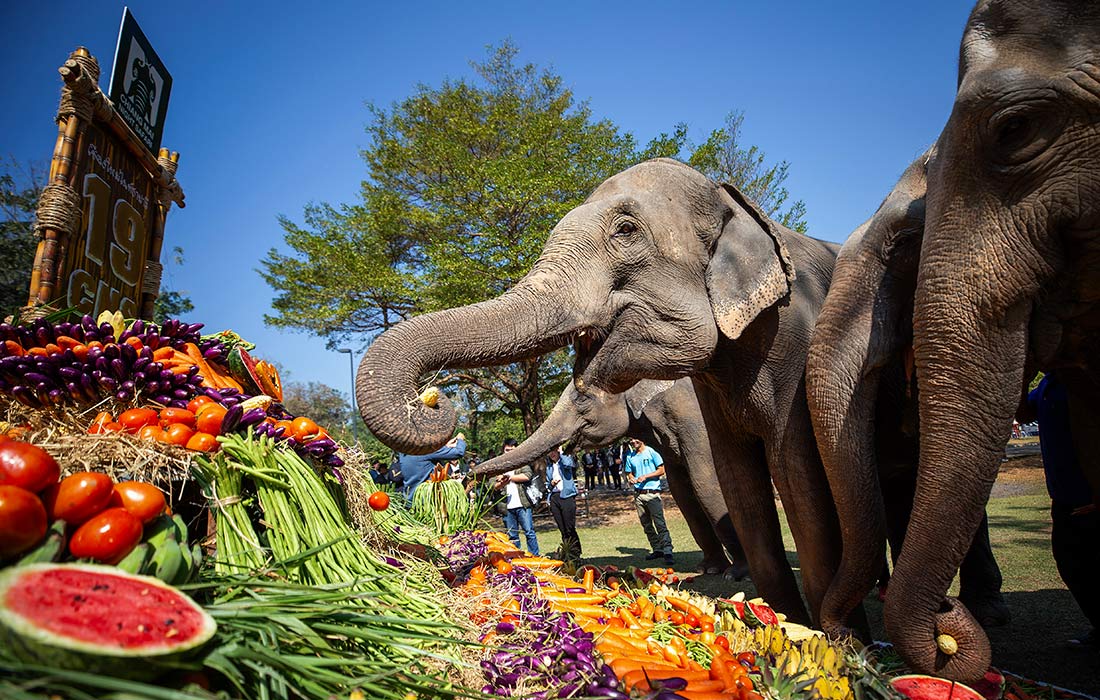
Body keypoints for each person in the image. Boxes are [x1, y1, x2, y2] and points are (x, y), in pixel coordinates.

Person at [1023, 372, 1099, 646]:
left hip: (1091, 497)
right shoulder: (1048, 383)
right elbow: (1022, 414)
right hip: (1065, 497)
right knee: (1070, 563)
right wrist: (1021, 374)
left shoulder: (1086, 379)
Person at [622, 437, 674, 564]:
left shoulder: (651, 452)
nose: (633, 442)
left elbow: (661, 470)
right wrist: (631, 479)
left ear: (641, 440)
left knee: (660, 523)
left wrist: (646, 476)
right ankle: (657, 549)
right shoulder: (630, 456)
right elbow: (629, 473)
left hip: (652, 494)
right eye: (631, 441)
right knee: (646, 525)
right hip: (638, 494)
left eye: (636, 440)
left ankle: (668, 551)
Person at [494, 438, 540, 555]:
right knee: (512, 535)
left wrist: (508, 478)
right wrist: (502, 483)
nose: (510, 453)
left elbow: (527, 476)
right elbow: (493, 485)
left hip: (522, 504)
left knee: (529, 531)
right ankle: (516, 558)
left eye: (513, 450)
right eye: (507, 450)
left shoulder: (521, 462)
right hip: (506, 507)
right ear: (503, 450)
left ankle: (534, 556)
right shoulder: (497, 464)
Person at [395, 432, 466, 504]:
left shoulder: (404, 452)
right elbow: (458, 452)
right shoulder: (425, 450)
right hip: (426, 501)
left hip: (409, 499)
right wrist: (460, 440)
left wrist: (446, 446)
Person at [546, 446, 581, 559]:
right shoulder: (549, 467)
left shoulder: (565, 460)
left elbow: (569, 464)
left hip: (566, 496)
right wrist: (551, 484)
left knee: (569, 527)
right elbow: (548, 485)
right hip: (555, 497)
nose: (552, 454)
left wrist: (561, 452)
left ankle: (576, 552)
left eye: (554, 451)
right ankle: (567, 553)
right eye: (550, 452)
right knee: (562, 528)